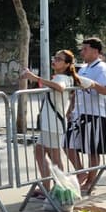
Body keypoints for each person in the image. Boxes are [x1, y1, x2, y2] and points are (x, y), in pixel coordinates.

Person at [20, 50, 81, 193]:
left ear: (67, 64)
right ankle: (47, 186)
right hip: (49, 123)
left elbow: (60, 87)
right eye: (55, 57)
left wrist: (35, 78)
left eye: (59, 59)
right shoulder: (59, 76)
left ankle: (62, 188)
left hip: (54, 123)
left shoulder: (63, 77)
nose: (55, 60)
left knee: (55, 158)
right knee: (39, 152)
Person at [65, 37, 106, 195]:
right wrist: (70, 108)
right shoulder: (83, 68)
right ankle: (81, 172)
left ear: (95, 51)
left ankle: (92, 181)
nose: (82, 52)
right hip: (79, 113)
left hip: (95, 114)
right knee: (68, 144)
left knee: (92, 150)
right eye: (82, 49)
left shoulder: (101, 68)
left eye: (85, 49)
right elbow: (76, 91)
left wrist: (92, 84)